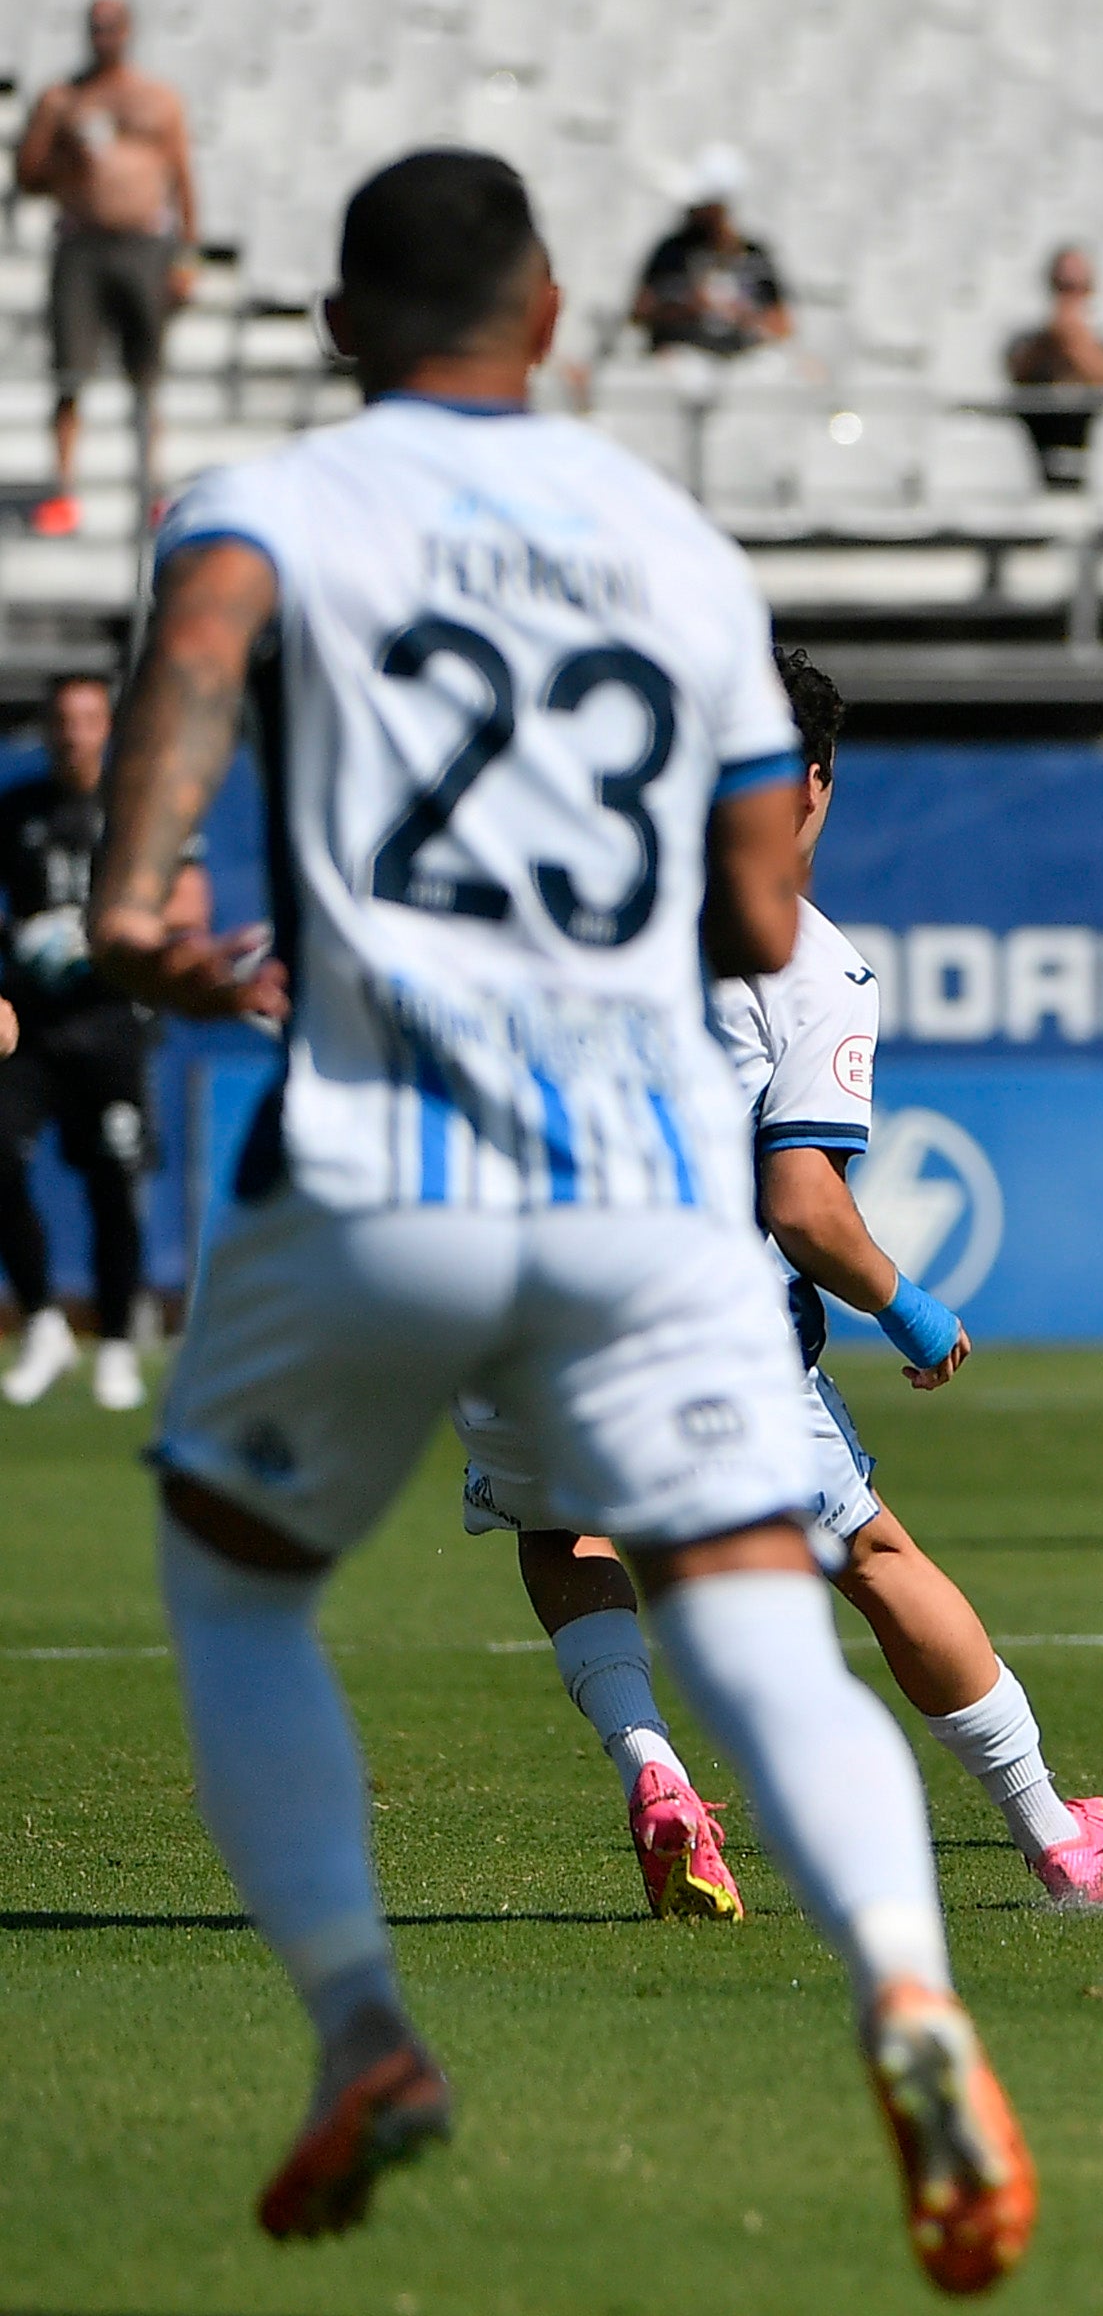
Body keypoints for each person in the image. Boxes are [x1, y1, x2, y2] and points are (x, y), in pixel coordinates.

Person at [96, 149, 1031, 2284]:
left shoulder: (265, 509)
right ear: (548, 320)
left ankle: (358, 2027)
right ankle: (906, 1983)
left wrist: (150, 930)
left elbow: (156, 804)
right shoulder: (678, 555)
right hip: (644, 1191)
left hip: (383, 1154)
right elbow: (757, 913)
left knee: (238, 1587)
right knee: (747, 1591)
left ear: (340, 329)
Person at [452, 644, 1103, 1925]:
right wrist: (910, 1308)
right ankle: (1053, 1832)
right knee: (871, 1553)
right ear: (814, 785)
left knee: (566, 1530)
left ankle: (652, 1767)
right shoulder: (808, 963)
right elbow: (803, 1205)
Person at [0, 670, 198, 1412]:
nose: (73, 733)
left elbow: (188, 903)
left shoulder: (137, 808)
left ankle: (116, 1341)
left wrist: (96, 938)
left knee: (114, 1182)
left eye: (86, 719)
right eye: (61, 720)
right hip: (31, 1027)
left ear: (108, 728)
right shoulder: (17, 810)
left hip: (114, 1021)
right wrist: (22, 940)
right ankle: (44, 1322)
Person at [14, 0, 196, 535]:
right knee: (71, 372)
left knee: (146, 375)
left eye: (114, 26)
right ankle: (62, 489)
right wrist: (66, 159)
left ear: (129, 31)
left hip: (143, 244)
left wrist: (186, 254)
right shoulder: (62, 100)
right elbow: (27, 175)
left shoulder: (156, 99)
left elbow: (182, 175)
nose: (106, 36)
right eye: (97, 26)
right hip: (83, 245)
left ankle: (150, 488)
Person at [1001, 244, 1103, 493]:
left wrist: (1079, 345)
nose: (1071, 296)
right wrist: (1053, 340)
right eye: (1062, 286)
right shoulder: (1028, 337)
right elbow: (1015, 376)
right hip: (1034, 453)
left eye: (1079, 286)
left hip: (1098, 452)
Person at [627, 148, 791, 360]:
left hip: (741, 362)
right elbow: (639, 311)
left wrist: (740, 315)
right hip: (681, 357)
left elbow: (782, 324)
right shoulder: (671, 251)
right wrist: (686, 307)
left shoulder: (753, 255)